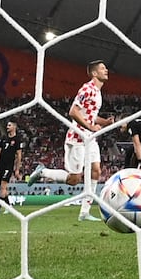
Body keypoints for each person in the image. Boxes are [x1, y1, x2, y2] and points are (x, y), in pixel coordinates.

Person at [27, 60, 116, 221]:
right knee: (74, 179)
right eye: (103, 68)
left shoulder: (97, 92)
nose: (106, 70)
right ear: (94, 73)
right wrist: (90, 127)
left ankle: (84, 212)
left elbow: (90, 115)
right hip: (77, 137)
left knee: (96, 170)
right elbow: (73, 112)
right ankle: (43, 172)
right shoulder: (87, 88)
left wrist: (105, 122)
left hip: (90, 138)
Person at [0, 121, 22, 214]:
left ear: (14, 126)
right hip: (1, 165)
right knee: (2, 187)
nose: (7, 127)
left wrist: (17, 169)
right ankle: (9, 206)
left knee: (3, 186)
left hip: (9, 166)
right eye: (7, 125)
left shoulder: (17, 140)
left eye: (9, 125)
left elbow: (19, 155)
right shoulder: (4, 138)